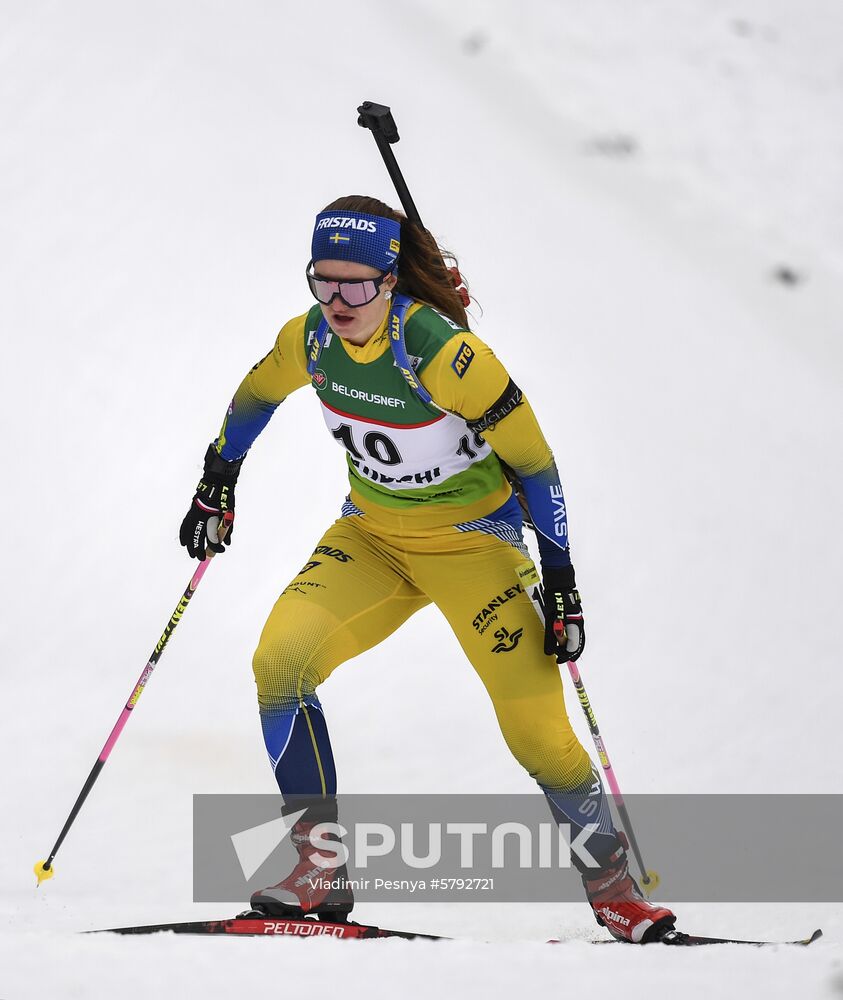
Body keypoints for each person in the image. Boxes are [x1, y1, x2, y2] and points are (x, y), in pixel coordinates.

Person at [179, 195, 675, 943]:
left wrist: (563, 584)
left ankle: (615, 891)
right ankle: (317, 870)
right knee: (278, 662)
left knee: (536, 735)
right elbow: (254, 396)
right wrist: (219, 476)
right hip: (372, 538)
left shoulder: (443, 354)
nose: (338, 302)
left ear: (391, 279)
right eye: (323, 281)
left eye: (357, 286)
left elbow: (537, 467)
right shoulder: (309, 342)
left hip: (475, 547)